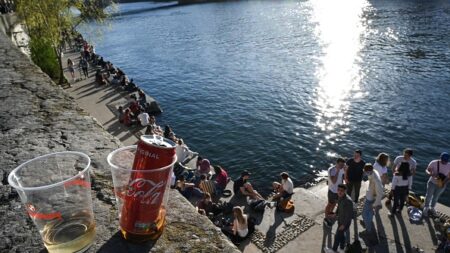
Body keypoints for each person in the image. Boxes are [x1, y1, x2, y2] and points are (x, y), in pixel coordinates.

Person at [324, 184, 354, 253]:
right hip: (340, 220)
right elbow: (339, 207)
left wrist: (343, 225)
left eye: (342, 191)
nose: (339, 192)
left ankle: (333, 250)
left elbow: (349, 215)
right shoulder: (340, 197)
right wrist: (335, 214)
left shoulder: (348, 201)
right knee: (341, 235)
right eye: (338, 190)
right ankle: (342, 248)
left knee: (337, 236)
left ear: (345, 191)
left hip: (344, 223)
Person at [360, 163, 384, 241]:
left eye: (366, 172)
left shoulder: (376, 180)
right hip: (370, 195)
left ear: (369, 171)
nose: (365, 173)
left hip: (371, 199)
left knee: (364, 213)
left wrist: (375, 204)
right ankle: (367, 223)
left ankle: (368, 230)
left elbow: (380, 193)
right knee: (369, 213)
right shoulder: (374, 171)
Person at [423, 152, 450, 217]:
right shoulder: (434, 162)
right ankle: (426, 207)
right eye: (443, 160)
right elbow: (427, 170)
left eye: (446, 161)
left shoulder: (449, 165)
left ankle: (432, 208)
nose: (444, 162)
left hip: (442, 184)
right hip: (432, 182)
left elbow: (449, 177)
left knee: (436, 197)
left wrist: (444, 183)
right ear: (440, 158)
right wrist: (429, 173)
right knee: (428, 195)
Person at [324, 157, 345, 226]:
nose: (341, 166)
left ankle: (331, 214)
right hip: (332, 191)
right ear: (336, 163)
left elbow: (343, 177)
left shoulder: (342, 169)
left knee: (334, 203)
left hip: (338, 191)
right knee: (330, 204)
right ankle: (326, 217)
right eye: (340, 165)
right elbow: (334, 181)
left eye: (342, 165)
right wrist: (337, 171)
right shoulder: (332, 170)